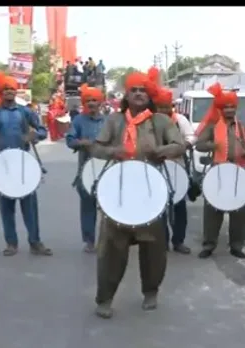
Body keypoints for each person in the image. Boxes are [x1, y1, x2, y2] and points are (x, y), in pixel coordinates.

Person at [90, 70, 184, 319]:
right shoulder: (114, 121)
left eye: (143, 90)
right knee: (111, 248)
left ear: (149, 94)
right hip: (118, 192)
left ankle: (151, 291)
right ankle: (105, 298)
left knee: (153, 248)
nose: (139, 94)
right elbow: (96, 148)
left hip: (151, 193)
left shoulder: (161, 121)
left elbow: (180, 146)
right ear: (127, 94)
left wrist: (160, 150)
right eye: (134, 90)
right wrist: (114, 151)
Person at [0, 76, 52, 257]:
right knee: (6, 207)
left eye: (12, 89)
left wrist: (33, 136)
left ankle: (35, 243)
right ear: (1, 92)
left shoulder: (25, 112)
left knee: (30, 207)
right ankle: (11, 243)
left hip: (23, 164)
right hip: (2, 165)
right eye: (6, 89)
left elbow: (42, 131)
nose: (9, 92)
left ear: (16, 91)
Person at [195, 83, 245, 259]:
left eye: (232, 107)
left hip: (239, 172)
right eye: (226, 107)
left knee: (239, 211)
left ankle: (236, 246)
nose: (230, 110)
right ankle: (209, 245)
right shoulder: (212, 126)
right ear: (220, 108)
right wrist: (212, 145)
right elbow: (199, 144)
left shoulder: (243, 126)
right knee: (212, 211)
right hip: (217, 171)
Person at [153, 87, 195, 254]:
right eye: (160, 107)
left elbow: (191, 137)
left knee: (179, 207)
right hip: (156, 168)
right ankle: (161, 242)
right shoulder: (150, 121)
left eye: (167, 106)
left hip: (178, 167)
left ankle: (178, 241)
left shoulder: (180, 120)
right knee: (158, 208)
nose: (164, 110)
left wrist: (184, 145)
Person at [65, 84, 105, 253]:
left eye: (94, 100)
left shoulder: (108, 121)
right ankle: (89, 241)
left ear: (100, 103)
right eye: (88, 100)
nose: (91, 103)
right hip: (85, 170)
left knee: (109, 206)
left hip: (107, 169)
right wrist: (82, 143)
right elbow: (70, 140)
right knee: (87, 206)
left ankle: (108, 240)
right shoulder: (78, 121)